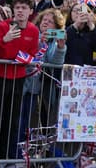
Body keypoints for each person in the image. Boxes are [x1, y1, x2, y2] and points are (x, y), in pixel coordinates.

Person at [0, 0, 39, 159]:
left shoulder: (33, 30)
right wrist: (5, 39)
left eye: (24, 8)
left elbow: (30, 54)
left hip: (19, 78)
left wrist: (14, 56)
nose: (20, 11)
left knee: (12, 120)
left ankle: (7, 156)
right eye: (17, 7)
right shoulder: (2, 26)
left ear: (30, 11)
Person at [20, 8, 66, 142]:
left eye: (51, 22)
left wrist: (61, 47)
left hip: (41, 89)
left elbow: (54, 62)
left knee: (36, 123)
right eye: (44, 20)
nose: (46, 23)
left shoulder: (56, 42)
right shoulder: (31, 34)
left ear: (57, 27)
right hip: (24, 85)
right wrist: (40, 41)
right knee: (21, 121)